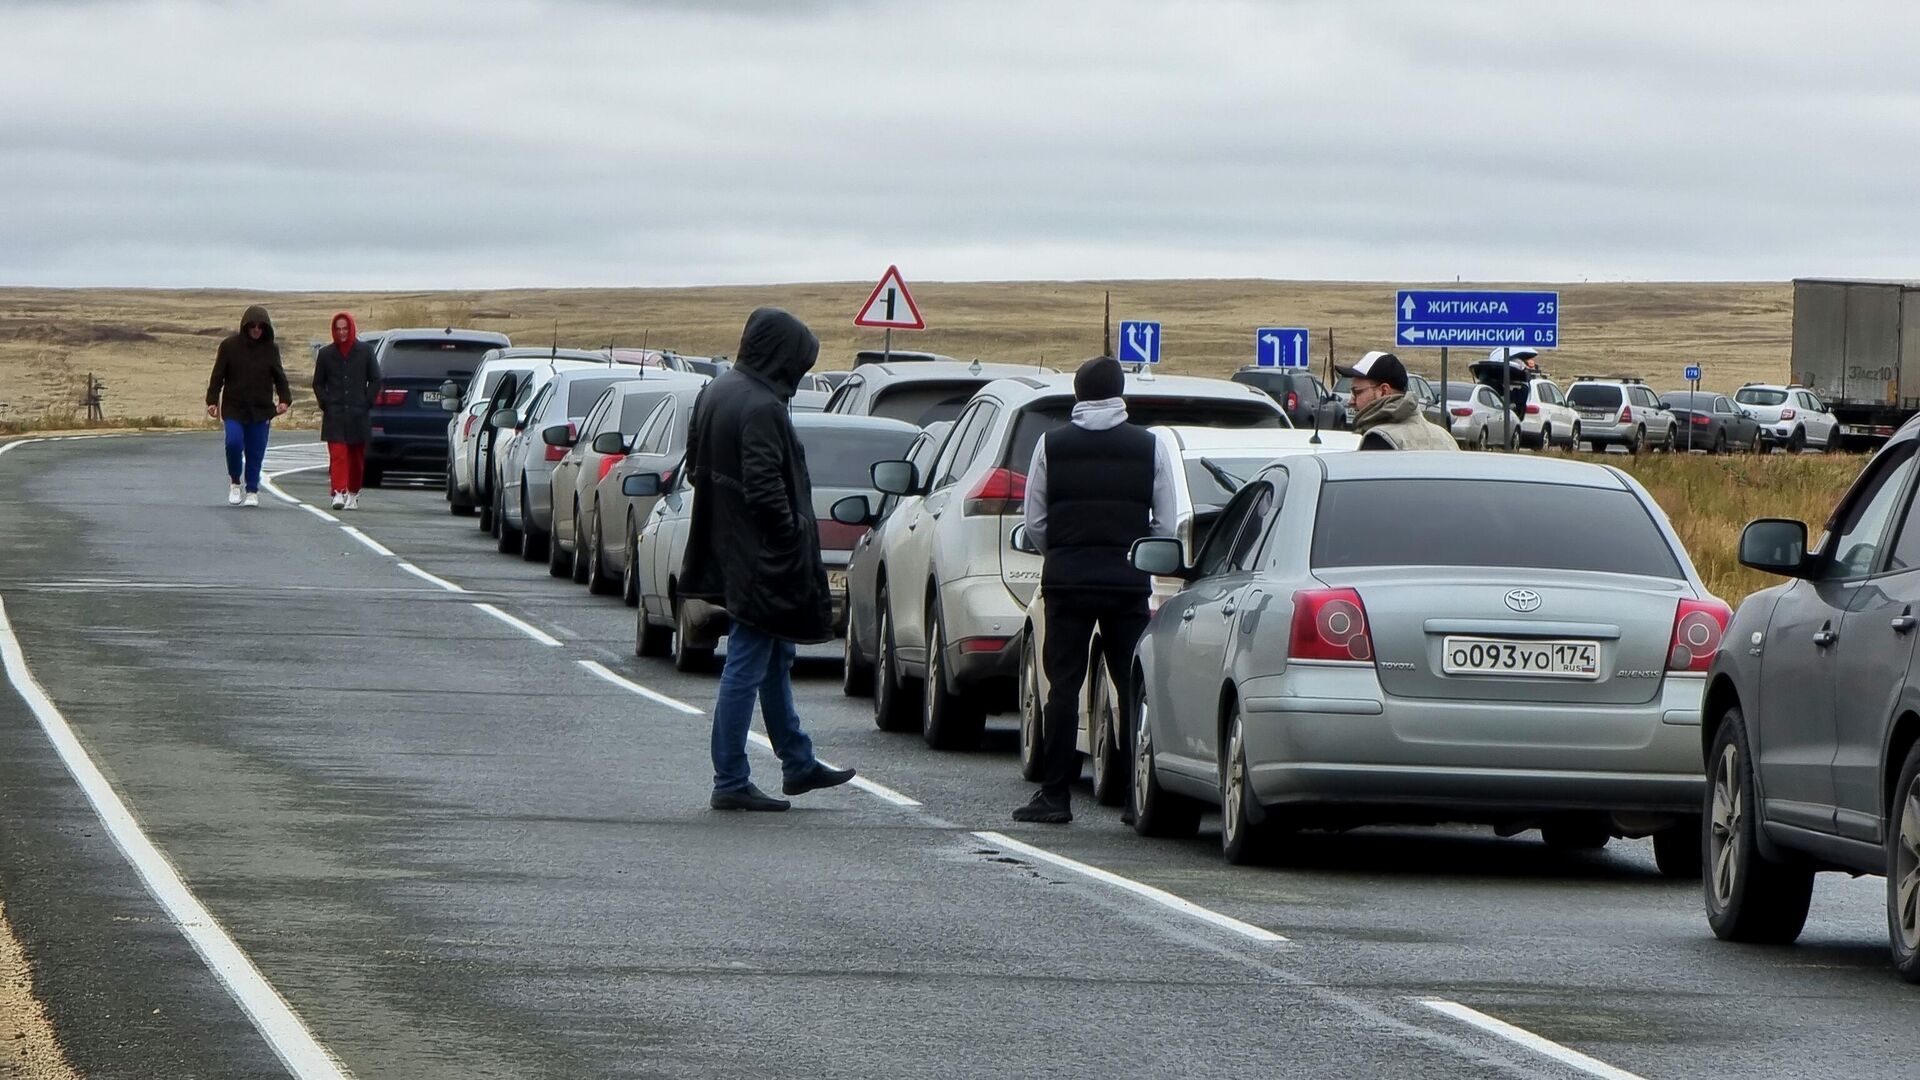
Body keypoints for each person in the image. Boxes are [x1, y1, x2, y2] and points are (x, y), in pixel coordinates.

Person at [679, 307, 857, 812]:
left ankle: (797, 761)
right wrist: (790, 531)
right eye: (798, 362)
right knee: (747, 660)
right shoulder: (762, 407)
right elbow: (763, 488)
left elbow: (695, 467)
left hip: (730, 546)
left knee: (775, 656)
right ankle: (730, 777)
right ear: (781, 356)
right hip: (761, 557)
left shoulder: (717, 390)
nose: (798, 374)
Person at [1013, 355, 1177, 825]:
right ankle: (1133, 796)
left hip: (1066, 580)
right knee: (1130, 687)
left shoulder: (1052, 445)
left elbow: (1035, 521)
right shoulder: (1150, 446)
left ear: (1078, 393)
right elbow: (1163, 522)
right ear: (1120, 392)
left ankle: (1055, 796)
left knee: (1062, 686)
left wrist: (1062, 552)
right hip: (1127, 582)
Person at [205, 304, 292, 506]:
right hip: (234, 407)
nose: (256, 330)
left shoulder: (271, 349)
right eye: (252, 326)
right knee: (233, 443)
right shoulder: (229, 346)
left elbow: (279, 376)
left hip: (261, 409)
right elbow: (218, 376)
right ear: (245, 326)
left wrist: (285, 400)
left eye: (260, 327)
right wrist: (212, 401)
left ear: (266, 328)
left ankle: (252, 489)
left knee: (255, 450)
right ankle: (235, 482)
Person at [312, 311, 381, 510]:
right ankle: (338, 492)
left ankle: (353, 492)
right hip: (335, 413)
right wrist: (325, 402)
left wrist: (367, 401)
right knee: (338, 454)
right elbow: (318, 383)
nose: (342, 333)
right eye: (338, 329)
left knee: (356, 457)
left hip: (358, 413)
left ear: (351, 328)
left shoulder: (365, 351)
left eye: (345, 328)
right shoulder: (326, 354)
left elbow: (376, 379)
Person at [1336, 351, 1459, 451]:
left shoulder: (1380, 439)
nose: (1350, 401)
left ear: (1384, 391)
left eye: (1357, 392)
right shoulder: (1445, 437)